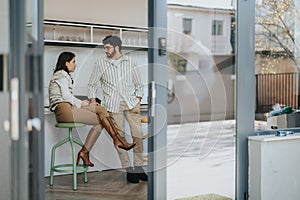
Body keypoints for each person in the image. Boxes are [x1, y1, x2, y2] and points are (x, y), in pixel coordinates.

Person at [48, 51, 136, 167]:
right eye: (73, 62)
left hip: (68, 108)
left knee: (101, 112)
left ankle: (98, 147)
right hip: (63, 110)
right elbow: (66, 96)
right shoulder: (61, 75)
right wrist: (82, 104)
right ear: (66, 63)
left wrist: (84, 103)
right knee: (101, 117)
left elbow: (68, 97)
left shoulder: (64, 76)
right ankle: (117, 140)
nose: (76, 65)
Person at [88, 35, 148, 183]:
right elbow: (92, 85)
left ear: (117, 48)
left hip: (131, 103)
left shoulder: (131, 63)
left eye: (107, 47)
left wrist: (138, 99)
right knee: (119, 138)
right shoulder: (100, 64)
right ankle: (129, 169)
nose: (105, 50)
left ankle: (139, 167)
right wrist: (93, 100)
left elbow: (139, 85)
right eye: (104, 48)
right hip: (113, 105)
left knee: (138, 135)